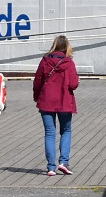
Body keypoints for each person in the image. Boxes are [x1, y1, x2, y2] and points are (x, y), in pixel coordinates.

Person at [33, 35, 79, 176]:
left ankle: (51, 167)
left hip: (46, 101)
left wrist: (36, 97)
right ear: (67, 47)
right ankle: (63, 162)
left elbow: (37, 81)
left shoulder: (45, 61)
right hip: (64, 101)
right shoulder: (69, 63)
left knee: (50, 133)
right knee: (66, 131)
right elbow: (73, 84)